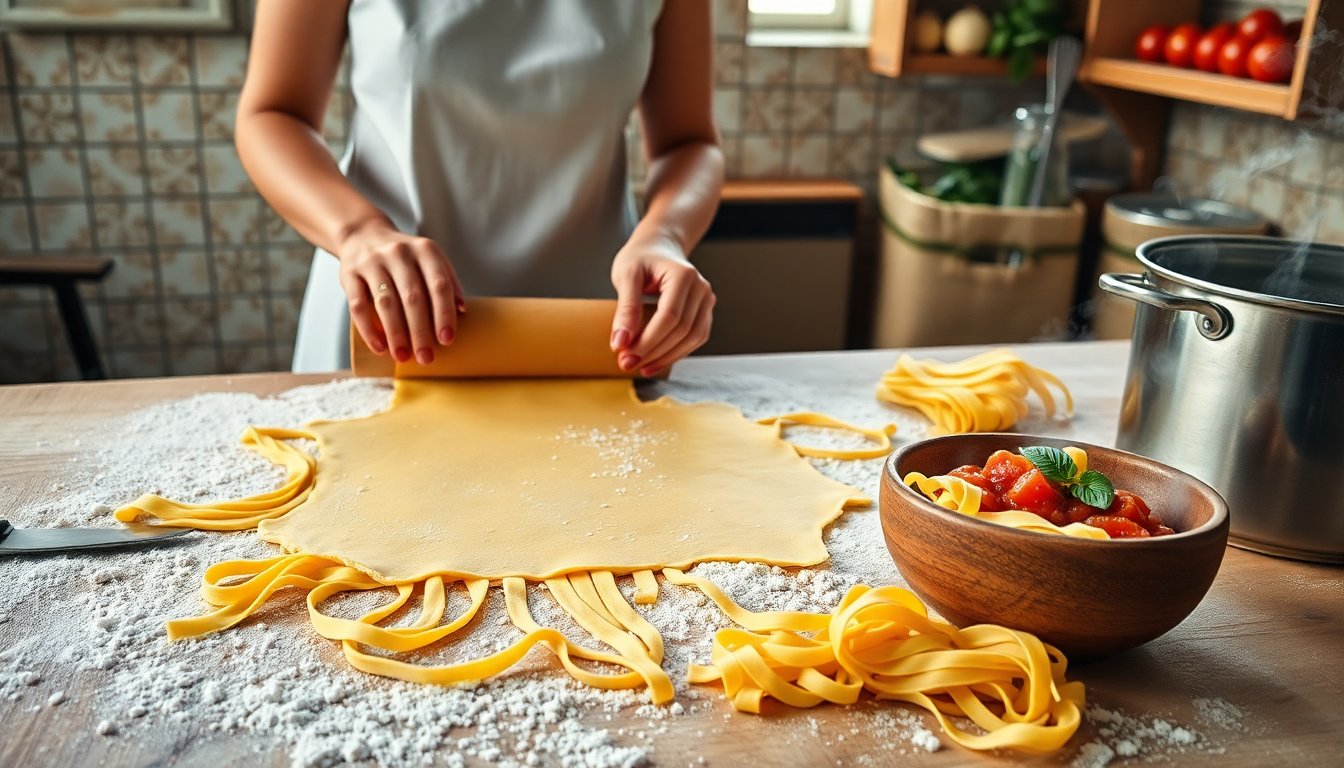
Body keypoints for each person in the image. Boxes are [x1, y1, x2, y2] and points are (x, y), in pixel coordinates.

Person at [236, 0, 723, 376]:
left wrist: (665, 236)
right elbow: (273, 114)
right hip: (390, 313)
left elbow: (688, 143)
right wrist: (359, 232)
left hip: (590, 323)